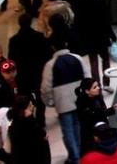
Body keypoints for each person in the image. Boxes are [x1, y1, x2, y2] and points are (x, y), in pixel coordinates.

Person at [41, 33, 91, 164]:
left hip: (62, 102)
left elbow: (45, 88)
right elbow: (87, 77)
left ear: (53, 47)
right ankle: (82, 152)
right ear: (66, 44)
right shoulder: (77, 58)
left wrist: (51, 102)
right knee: (79, 126)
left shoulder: (50, 65)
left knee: (68, 130)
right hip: (79, 99)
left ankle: (74, 157)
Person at [75, 78, 117, 155]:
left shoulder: (98, 97)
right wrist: (111, 110)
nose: (98, 88)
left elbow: (101, 113)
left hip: (102, 130)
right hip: (91, 135)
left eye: (98, 86)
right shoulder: (82, 103)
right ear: (87, 91)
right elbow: (95, 116)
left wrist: (111, 110)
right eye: (94, 87)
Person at [8, 94, 51, 164]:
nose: (33, 106)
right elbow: (40, 134)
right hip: (33, 157)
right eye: (30, 106)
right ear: (23, 110)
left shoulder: (16, 123)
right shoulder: (27, 123)